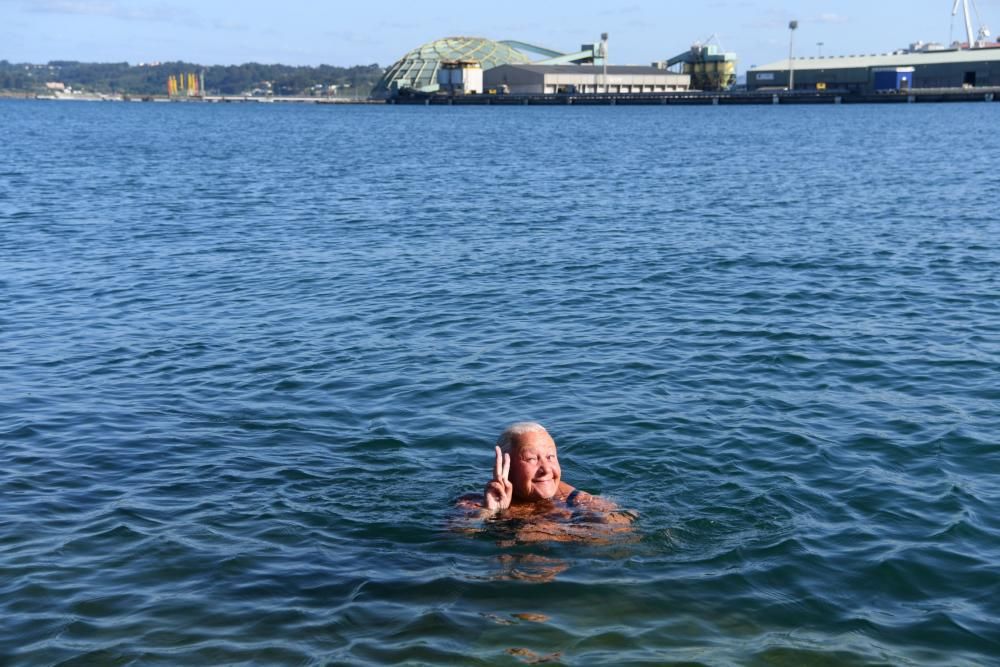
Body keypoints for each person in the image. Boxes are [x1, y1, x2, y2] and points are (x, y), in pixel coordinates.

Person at [456, 422, 631, 525]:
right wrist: (489, 513)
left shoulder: (578, 501)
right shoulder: (473, 503)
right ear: (505, 466)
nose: (546, 469)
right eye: (532, 459)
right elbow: (453, 541)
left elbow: (626, 527)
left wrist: (597, 520)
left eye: (550, 457)